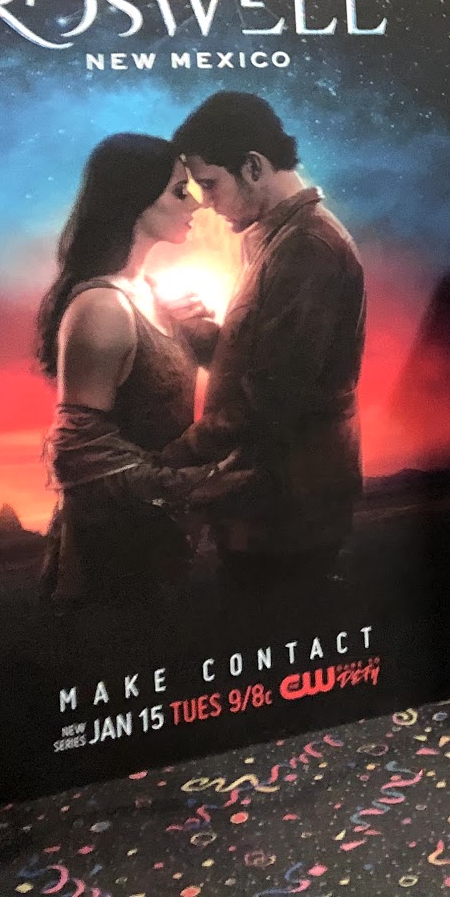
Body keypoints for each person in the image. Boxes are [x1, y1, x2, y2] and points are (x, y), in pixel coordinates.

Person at [164, 91, 367, 606]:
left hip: (290, 506)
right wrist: (200, 334)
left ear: (253, 167)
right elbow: (263, 364)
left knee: (279, 622)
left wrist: (168, 460)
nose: (205, 201)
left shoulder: (305, 247)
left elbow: (272, 396)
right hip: (275, 498)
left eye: (210, 183)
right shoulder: (277, 239)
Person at [35, 133, 246, 610]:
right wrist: (201, 484)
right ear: (134, 201)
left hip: (157, 541)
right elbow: (81, 455)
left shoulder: (148, 292)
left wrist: (199, 337)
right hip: (112, 555)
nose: (197, 203)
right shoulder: (102, 306)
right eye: (179, 191)